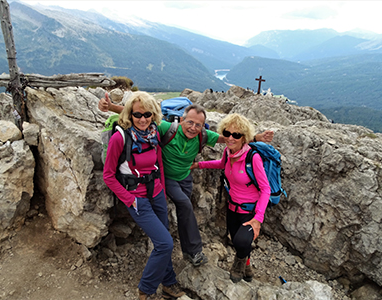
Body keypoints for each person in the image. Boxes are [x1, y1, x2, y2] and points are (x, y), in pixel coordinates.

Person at [99, 93, 274, 267]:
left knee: (184, 211)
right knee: (185, 204)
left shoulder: (203, 136)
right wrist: (112, 107)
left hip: (185, 178)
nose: (193, 127)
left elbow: (228, 138)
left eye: (198, 125)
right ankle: (193, 251)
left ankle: (179, 247)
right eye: (189, 122)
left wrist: (256, 138)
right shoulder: (167, 128)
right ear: (182, 120)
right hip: (167, 178)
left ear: (202, 126)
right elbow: (144, 114)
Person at [103, 92, 184, 300]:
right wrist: (130, 199)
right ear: (130, 114)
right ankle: (145, 290)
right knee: (165, 243)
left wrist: (163, 194)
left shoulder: (154, 133)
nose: (143, 119)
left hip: (156, 193)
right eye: (137, 114)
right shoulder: (120, 138)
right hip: (136, 198)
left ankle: (168, 283)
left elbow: (159, 166)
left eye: (147, 114)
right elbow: (109, 176)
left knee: (162, 240)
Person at [191, 113, 271, 283]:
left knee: (242, 241)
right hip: (232, 207)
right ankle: (247, 265)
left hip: (249, 210)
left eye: (236, 135)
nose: (230, 138)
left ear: (244, 138)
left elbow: (265, 189)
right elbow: (221, 164)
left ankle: (239, 263)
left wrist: (258, 219)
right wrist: (198, 165)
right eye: (227, 133)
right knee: (235, 240)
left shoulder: (252, 158)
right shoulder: (229, 153)